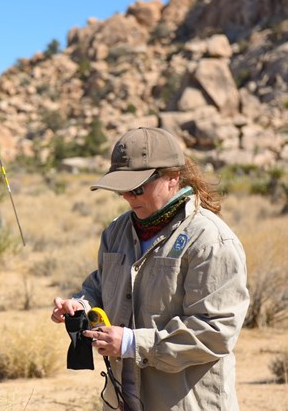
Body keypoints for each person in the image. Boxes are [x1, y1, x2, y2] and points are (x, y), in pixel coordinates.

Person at [50, 127, 249, 411]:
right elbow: (100, 285)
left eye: (138, 188)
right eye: (122, 189)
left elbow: (217, 331)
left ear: (172, 178)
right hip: (123, 399)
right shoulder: (116, 231)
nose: (129, 197)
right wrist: (80, 305)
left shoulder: (209, 240)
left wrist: (133, 342)